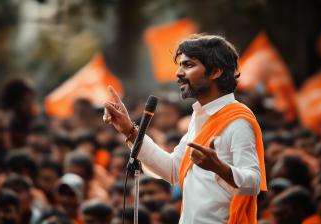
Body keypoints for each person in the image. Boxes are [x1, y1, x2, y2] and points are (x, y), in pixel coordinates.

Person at [103, 34, 266, 223]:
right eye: (181, 65)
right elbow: (173, 169)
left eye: (189, 65)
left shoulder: (237, 120)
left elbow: (254, 181)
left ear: (215, 72)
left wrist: (219, 168)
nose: (178, 73)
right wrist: (129, 129)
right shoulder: (200, 116)